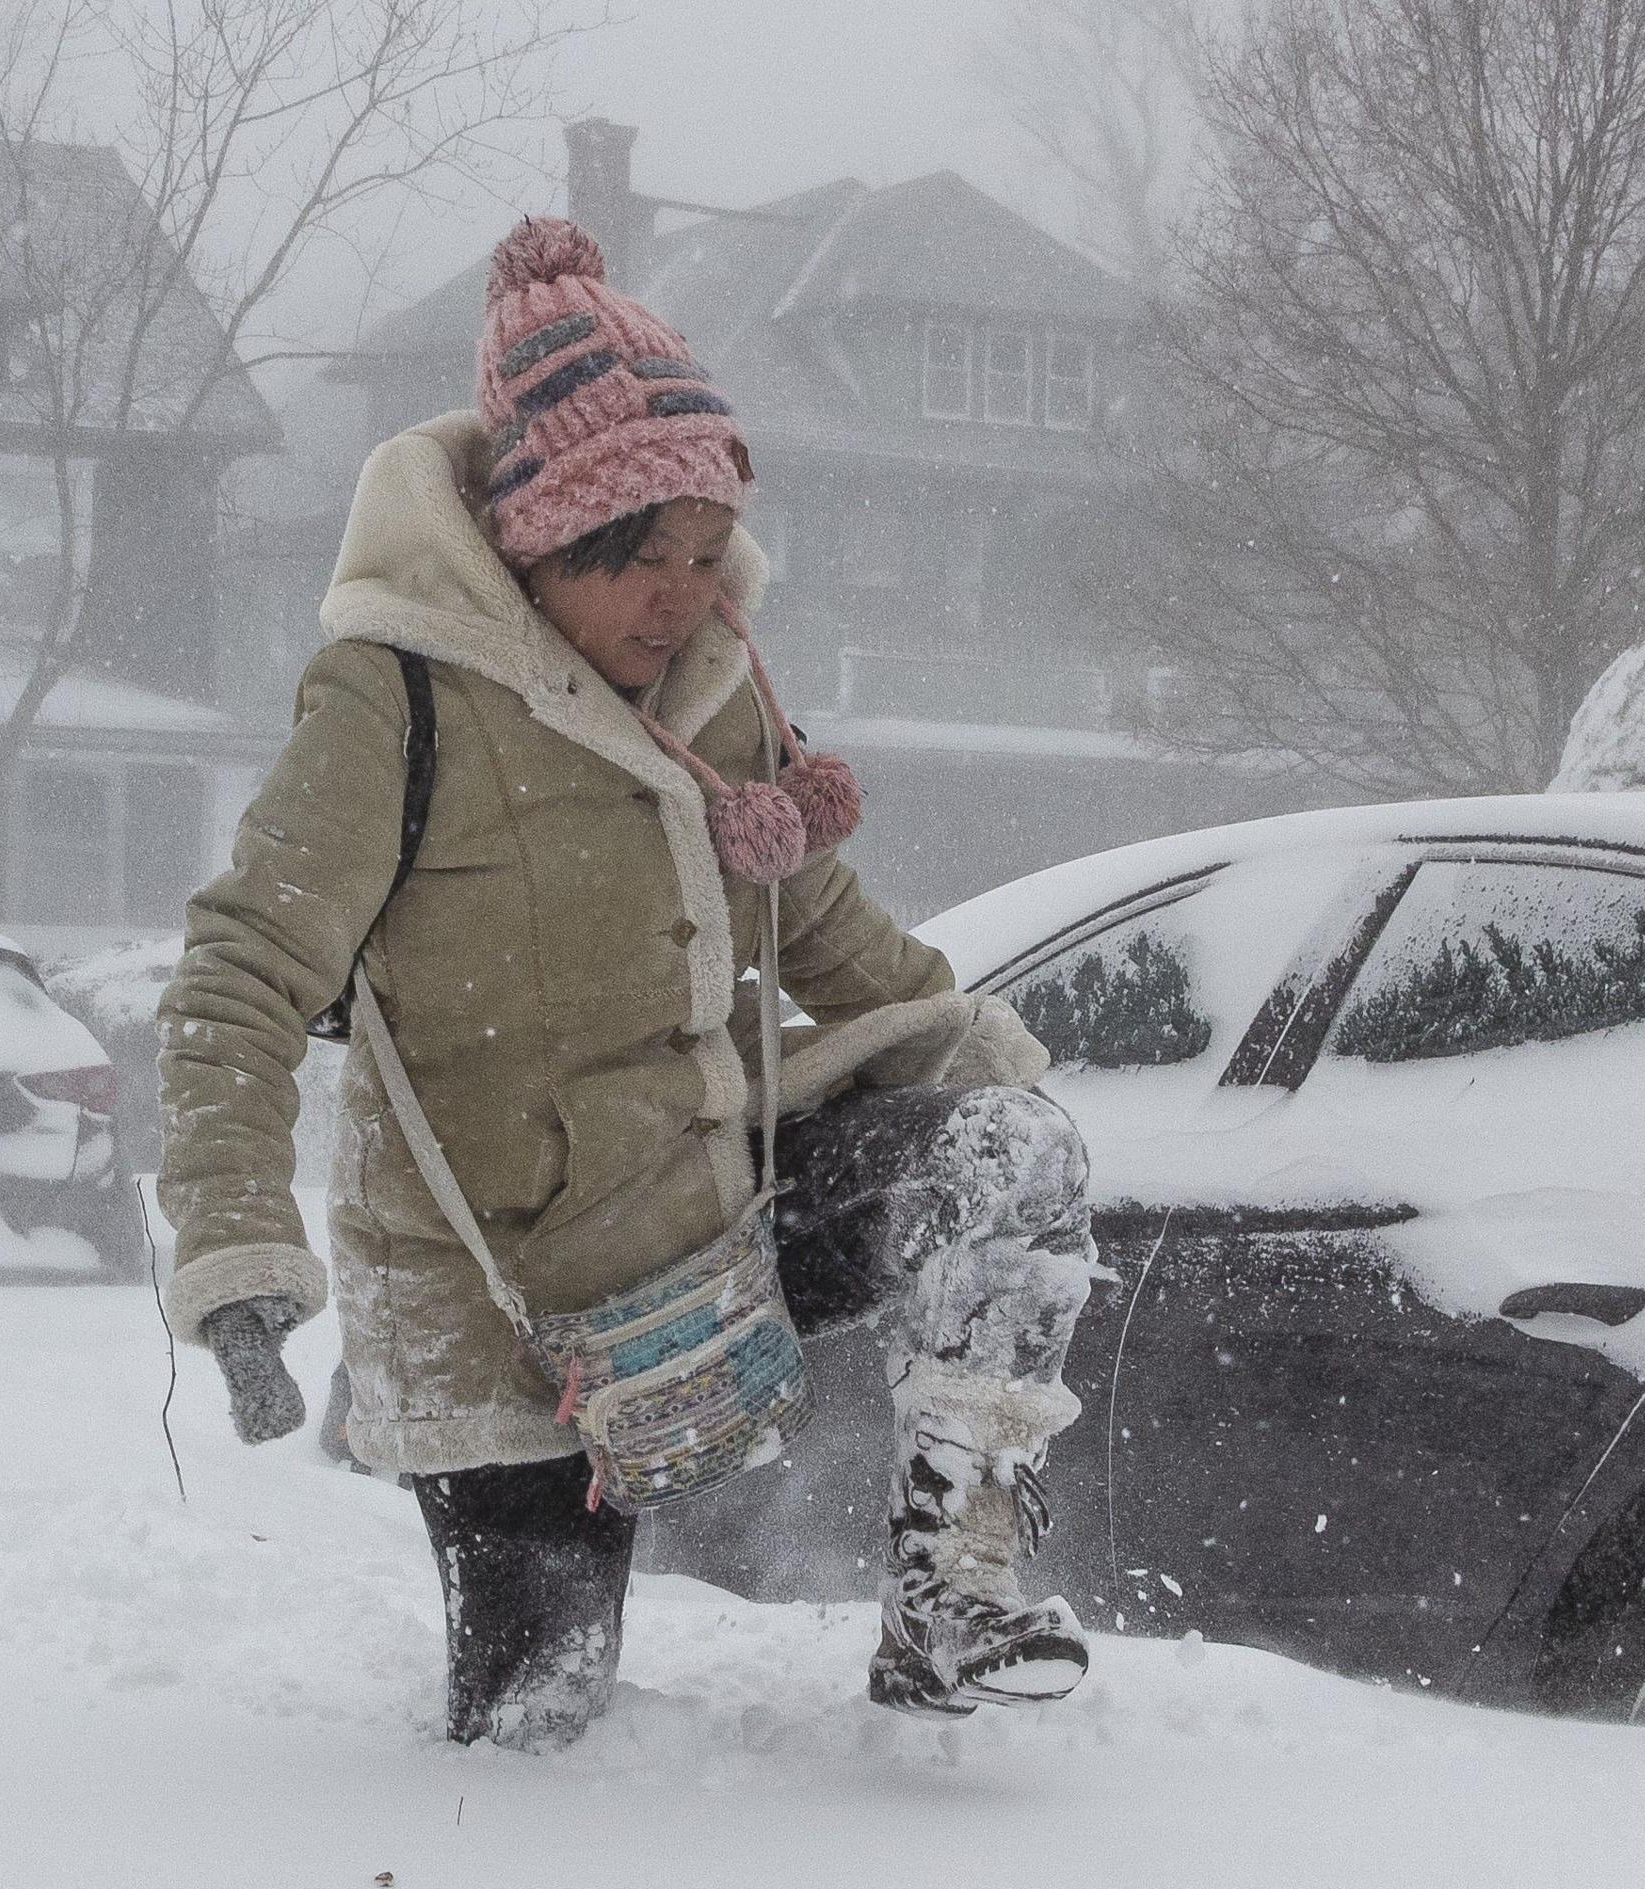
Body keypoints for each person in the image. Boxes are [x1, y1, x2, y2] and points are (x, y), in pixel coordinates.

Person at [155, 217, 1105, 1749]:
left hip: (714, 1220)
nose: (678, 598)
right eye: (635, 559)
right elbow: (240, 976)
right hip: (505, 1298)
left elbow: (837, 938)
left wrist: (1011, 1071)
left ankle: (959, 1595)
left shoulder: (717, 701)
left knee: (1006, 1150)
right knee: (542, 1731)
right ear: (538, 540)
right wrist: (240, 1253)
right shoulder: (394, 694)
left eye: (702, 555)